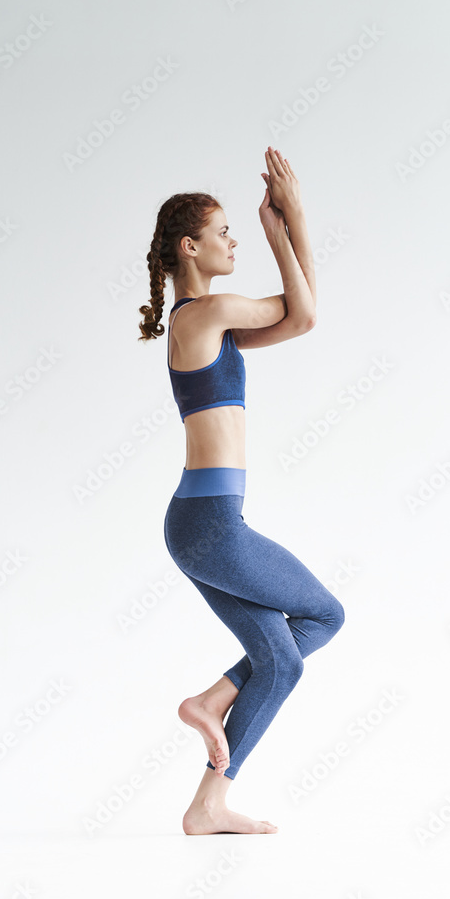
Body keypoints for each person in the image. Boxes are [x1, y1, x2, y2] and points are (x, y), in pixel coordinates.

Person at [138, 146, 345, 834]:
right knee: (323, 616)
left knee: (281, 662)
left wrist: (285, 227)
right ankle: (212, 698)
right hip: (210, 527)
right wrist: (289, 218)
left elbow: (302, 315)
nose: (233, 241)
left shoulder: (213, 323)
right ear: (190, 247)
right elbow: (304, 312)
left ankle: (207, 805)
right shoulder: (200, 314)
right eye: (224, 232)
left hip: (205, 522)